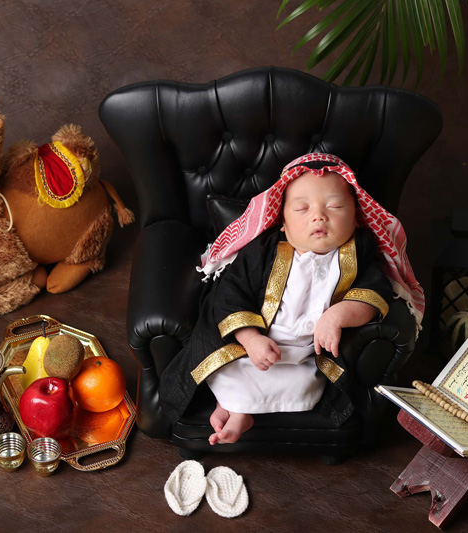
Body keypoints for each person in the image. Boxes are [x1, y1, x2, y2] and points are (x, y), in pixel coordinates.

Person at [158, 153, 425, 445]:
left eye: (335, 206)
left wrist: (336, 316)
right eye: (301, 208)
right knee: (224, 369)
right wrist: (251, 339)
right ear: (282, 221)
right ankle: (237, 411)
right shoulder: (264, 249)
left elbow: (374, 295)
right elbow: (230, 295)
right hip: (249, 348)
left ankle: (235, 408)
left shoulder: (359, 251)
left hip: (306, 356)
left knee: (304, 384)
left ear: (356, 217)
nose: (319, 216)